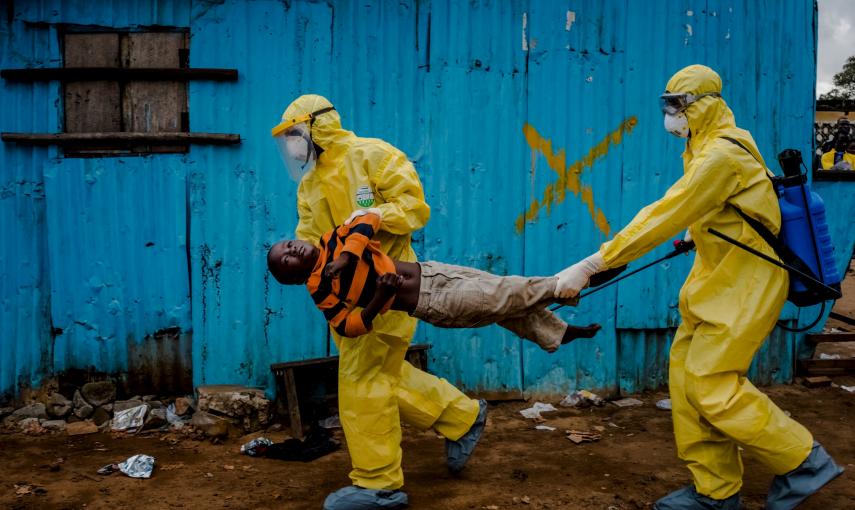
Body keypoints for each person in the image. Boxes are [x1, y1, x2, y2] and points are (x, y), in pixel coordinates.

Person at [553, 65, 844, 510]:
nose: (670, 116)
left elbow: (664, 212)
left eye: (678, 105)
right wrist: (700, 229)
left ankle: (803, 461)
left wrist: (594, 263)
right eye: (666, 105)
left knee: (713, 384)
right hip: (716, 280)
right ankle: (716, 490)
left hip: (746, 283)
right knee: (687, 382)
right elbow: (741, 201)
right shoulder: (709, 145)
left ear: (704, 105)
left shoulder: (721, 154)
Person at [271, 95, 485, 510]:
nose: (294, 147)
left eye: (296, 134)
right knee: (384, 375)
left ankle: (378, 483)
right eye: (288, 140)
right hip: (347, 296)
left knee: (361, 381)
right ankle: (462, 416)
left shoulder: (374, 155)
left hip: (390, 284)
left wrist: (368, 221)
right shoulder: (310, 185)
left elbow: (414, 209)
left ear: (318, 126)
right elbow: (312, 239)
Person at [266, 212, 601, 351]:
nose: (290, 248)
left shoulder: (332, 240)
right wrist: (376, 299)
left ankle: (557, 333)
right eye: (286, 258)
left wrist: (346, 258)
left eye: (287, 244)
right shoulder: (320, 289)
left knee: (504, 306)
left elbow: (368, 219)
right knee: (504, 294)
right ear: (293, 277)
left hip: (435, 271)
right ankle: (572, 280)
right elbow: (345, 326)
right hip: (433, 303)